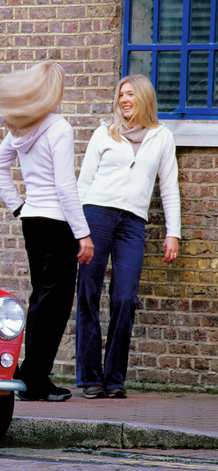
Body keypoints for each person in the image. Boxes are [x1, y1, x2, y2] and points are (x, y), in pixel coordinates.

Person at [0, 61, 94, 402]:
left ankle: (29, 374)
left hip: (32, 221)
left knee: (40, 299)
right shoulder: (59, 127)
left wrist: (18, 206)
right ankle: (35, 379)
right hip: (57, 223)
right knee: (56, 304)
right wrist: (83, 233)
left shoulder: (21, 129)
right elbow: (65, 186)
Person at [76, 74, 180, 399]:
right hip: (96, 215)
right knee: (89, 292)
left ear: (145, 98)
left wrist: (173, 233)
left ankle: (114, 378)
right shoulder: (104, 132)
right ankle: (90, 378)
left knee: (125, 298)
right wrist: (79, 230)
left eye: (130, 94)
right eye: (121, 94)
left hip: (133, 223)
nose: (123, 99)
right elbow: (83, 183)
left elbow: (169, 186)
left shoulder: (162, 137)